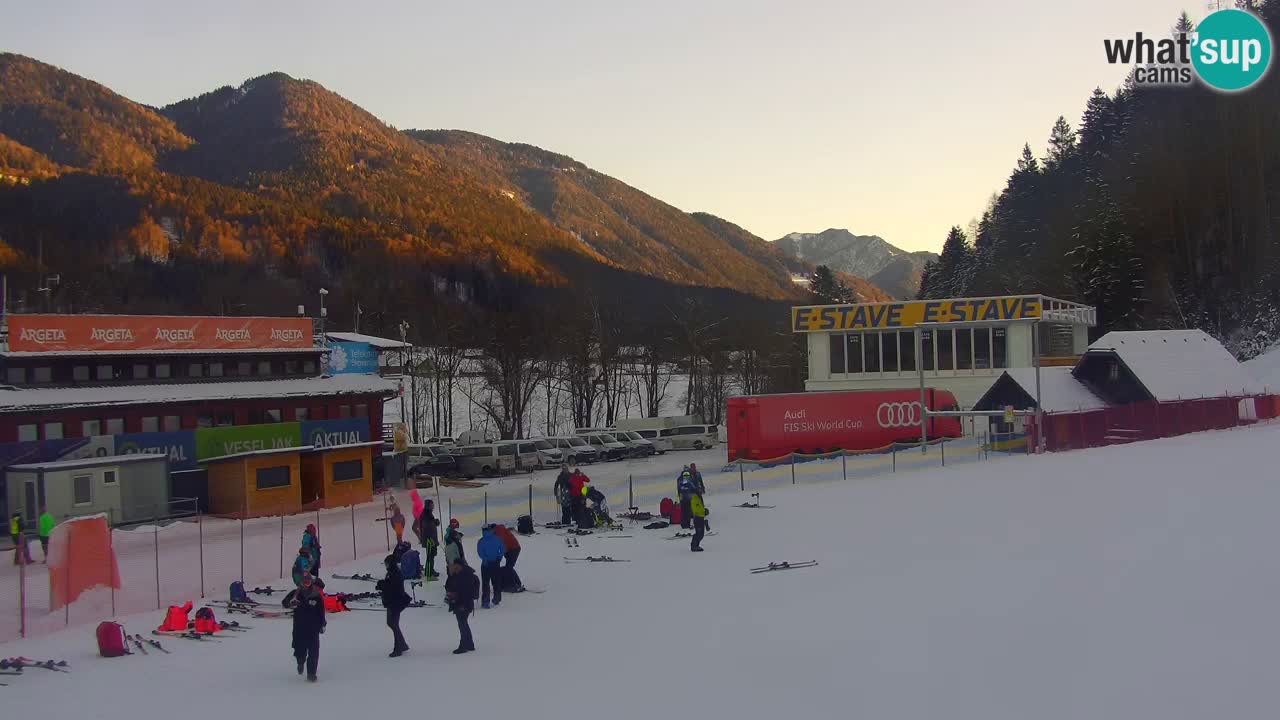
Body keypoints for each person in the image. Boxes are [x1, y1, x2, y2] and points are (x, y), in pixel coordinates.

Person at [285, 572, 326, 682]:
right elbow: (284, 603)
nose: (306, 584)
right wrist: (290, 604)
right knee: (300, 650)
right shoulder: (295, 594)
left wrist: (323, 624)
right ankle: (300, 661)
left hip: (313, 628)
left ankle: (311, 674)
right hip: (299, 628)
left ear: (311, 583)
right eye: (304, 582)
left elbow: (321, 611)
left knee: (314, 651)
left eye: (308, 582)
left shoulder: (316, 595)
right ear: (301, 583)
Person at [376, 554, 412, 657]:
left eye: (387, 563)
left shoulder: (395, 573)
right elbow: (389, 584)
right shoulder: (391, 572)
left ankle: (399, 647)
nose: (386, 565)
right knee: (392, 623)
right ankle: (402, 644)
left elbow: (393, 588)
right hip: (391, 602)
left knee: (393, 623)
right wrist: (382, 584)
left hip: (396, 602)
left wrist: (383, 586)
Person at [444, 558, 478, 654]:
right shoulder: (456, 574)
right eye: (454, 566)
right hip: (459, 603)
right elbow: (448, 586)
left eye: (457, 566)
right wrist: (450, 575)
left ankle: (463, 646)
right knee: (463, 624)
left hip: (464, 604)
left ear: (461, 566)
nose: (455, 568)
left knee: (462, 624)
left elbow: (467, 593)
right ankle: (469, 644)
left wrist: (464, 605)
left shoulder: (466, 576)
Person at [477, 524, 505, 609]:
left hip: (486, 564)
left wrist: (485, 559)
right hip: (495, 563)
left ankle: (486, 602)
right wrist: (499, 557)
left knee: (486, 583)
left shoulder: (481, 541)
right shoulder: (497, 538)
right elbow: (502, 548)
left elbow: (480, 552)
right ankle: (497, 598)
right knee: (496, 582)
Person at [492, 523, 523, 592]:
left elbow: (501, 544)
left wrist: (498, 558)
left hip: (513, 549)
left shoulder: (499, 531)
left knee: (508, 568)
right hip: (510, 549)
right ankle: (516, 583)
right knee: (509, 567)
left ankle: (514, 586)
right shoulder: (498, 531)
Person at [418, 499, 441, 579]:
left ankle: (431, 570)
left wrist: (435, 522)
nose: (433, 506)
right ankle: (429, 572)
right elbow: (427, 527)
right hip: (429, 539)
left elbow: (431, 523)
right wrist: (432, 540)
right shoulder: (425, 515)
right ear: (428, 505)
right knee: (430, 555)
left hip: (431, 538)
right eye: (432, 504)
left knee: (432, 555)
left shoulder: (428, 514)